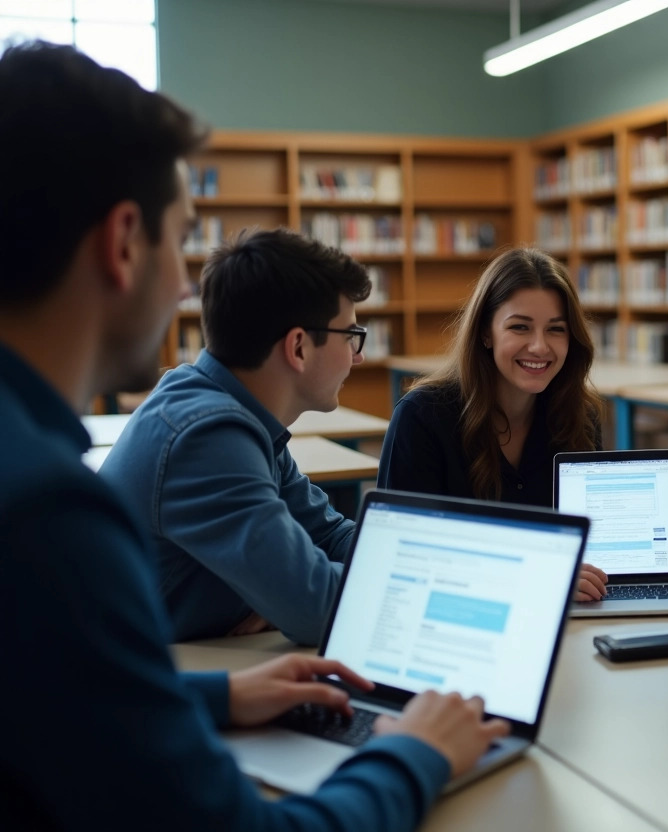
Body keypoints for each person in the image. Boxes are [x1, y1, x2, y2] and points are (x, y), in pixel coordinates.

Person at [0, 41, 506, 830]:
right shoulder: (50, 505)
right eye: (178, 237)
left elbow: (41, 686)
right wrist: (419, 750)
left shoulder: (221, 418)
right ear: (124, 241)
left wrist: (214, 692)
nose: (181, 285)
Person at [101, 228, 370, 645]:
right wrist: (286, 595)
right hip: (110, 689)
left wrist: (410, 563)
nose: (359, 355)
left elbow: (327, 534)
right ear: (298, 347)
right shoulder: (208, 436)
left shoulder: (235, 411)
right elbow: (314, 608)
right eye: (351, 335)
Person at [378, 247, 609, 601]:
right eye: (520, 327)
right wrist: (539, 576)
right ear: (486, 332)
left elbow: (589, 543)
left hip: (564, 613)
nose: (539, 346)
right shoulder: (422, 418)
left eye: (556, 330)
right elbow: (404, 557)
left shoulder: (579, 416)